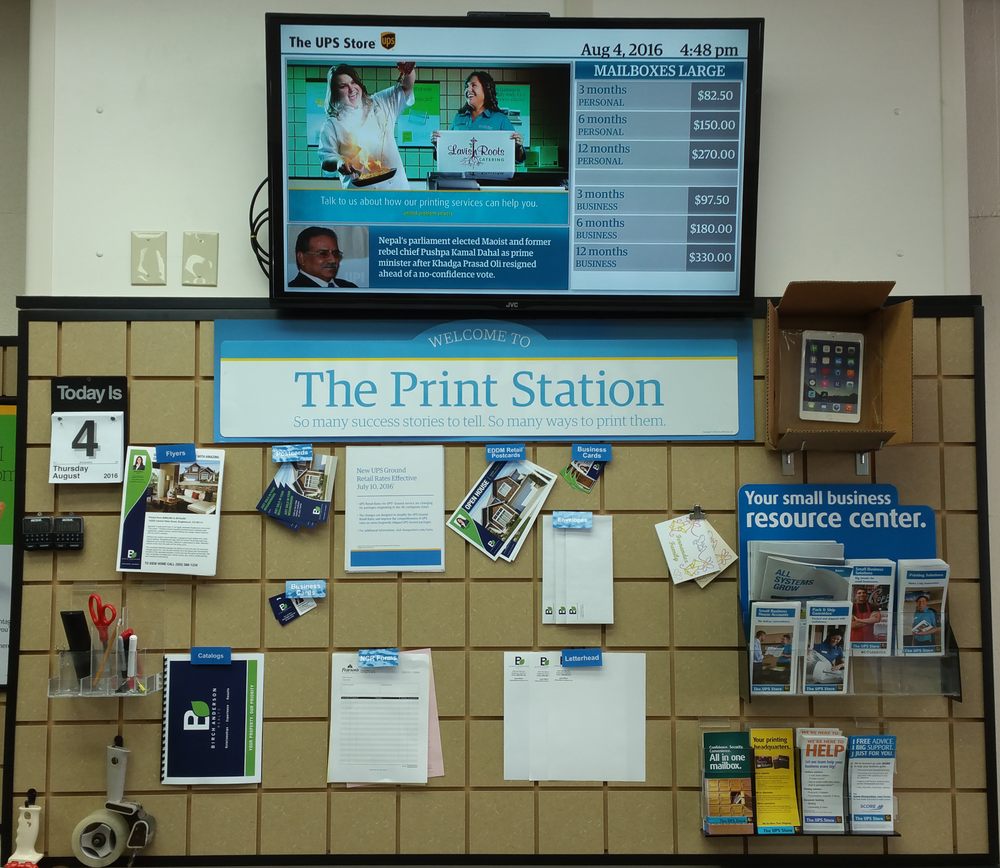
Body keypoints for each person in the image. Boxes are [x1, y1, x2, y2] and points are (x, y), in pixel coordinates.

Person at [317, 62, 416, 191]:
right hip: (360, 197)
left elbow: (406, 88)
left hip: (396, 191)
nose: (351, 89)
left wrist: (409, 71)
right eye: (343, 86)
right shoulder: (332, 125)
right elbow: (326, 159)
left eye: (353, 82)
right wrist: (339, 161)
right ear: (334, 93)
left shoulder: (380, 102)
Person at [432, 70, 525, 163]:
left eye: (473, 85)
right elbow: (448, 153)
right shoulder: (458, 118)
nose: (468, 90)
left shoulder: (501, 119)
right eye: (467, 86)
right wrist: (438, 145)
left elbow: (517, 159)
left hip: (489, 173)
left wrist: (518, 147)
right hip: (461, 172)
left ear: (486, 89)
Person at [289, 227, 357, 288]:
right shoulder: (293, 291)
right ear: (301, 258)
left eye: (335, 253)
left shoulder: (350, 287)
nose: (333, 260)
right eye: (323, 253)